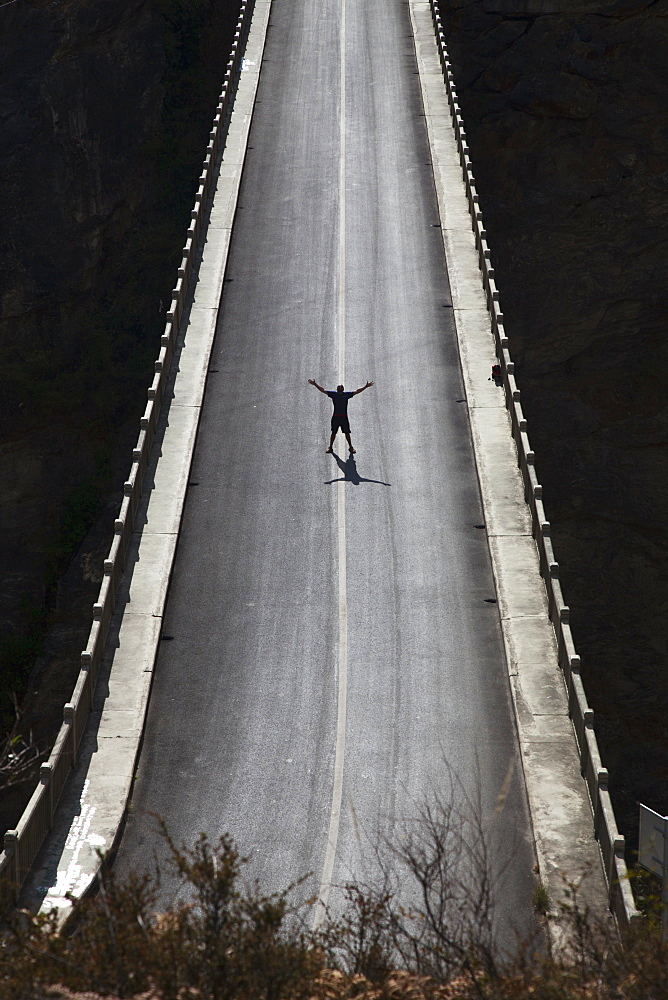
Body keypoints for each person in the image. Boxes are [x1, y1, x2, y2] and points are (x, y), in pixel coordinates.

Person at [308, 378, 374, 454]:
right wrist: (315, 384)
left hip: (344, 417)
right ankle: (330, 447)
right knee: (333, 433)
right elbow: (323, 390)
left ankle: (350, 447)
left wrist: (365, 387)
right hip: (336, 417)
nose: (340, 387)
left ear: (343, 389)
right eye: (339, 386)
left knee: (347, 433)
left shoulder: (346, 395)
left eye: (341, 386)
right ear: (337, 389)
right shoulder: (334, 395)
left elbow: (357, 391)